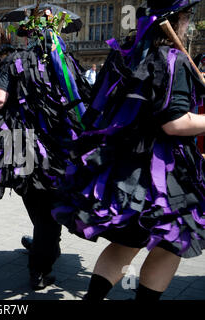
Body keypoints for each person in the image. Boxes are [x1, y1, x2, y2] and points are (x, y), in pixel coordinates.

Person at [51, 0, 205, 300]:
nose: (190, 23)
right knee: (172, 240)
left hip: (127, 166)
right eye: (188, 16)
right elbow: (174, 123)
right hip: (163, 172)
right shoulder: (172, 58)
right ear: (180, 20)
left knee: (127, 241)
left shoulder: (128, 54)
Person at [0, 14, 90, 289]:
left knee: (40, 205)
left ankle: (42, 260)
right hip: (56, 146)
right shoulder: (66, 62)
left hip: (26, 147)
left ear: (28, 36)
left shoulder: (19, 61)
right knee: (46, 208)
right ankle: (43, 253)